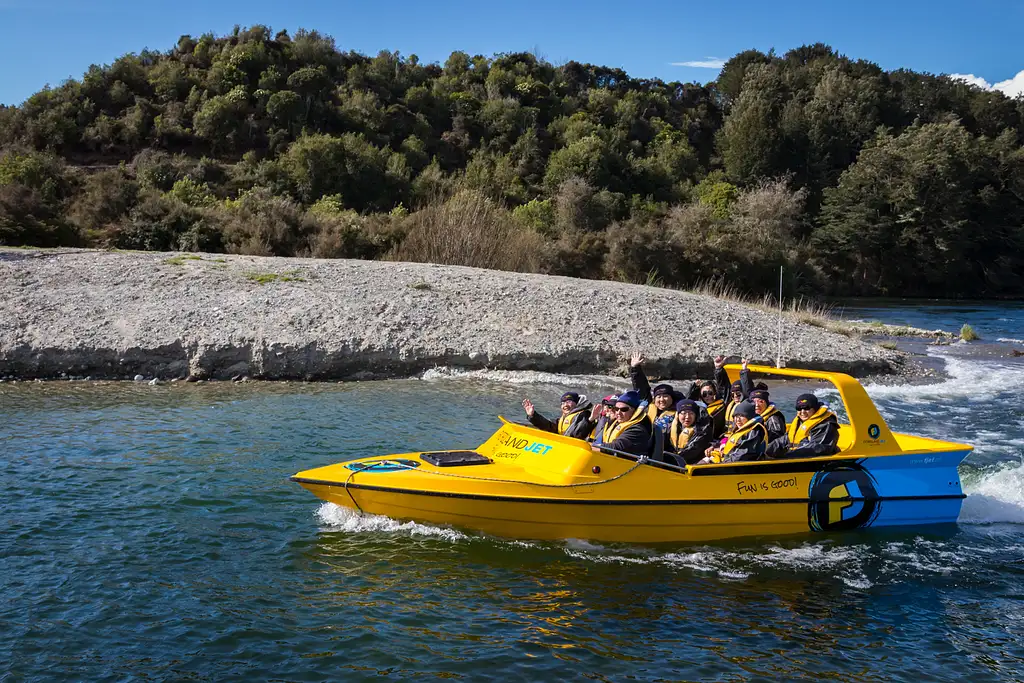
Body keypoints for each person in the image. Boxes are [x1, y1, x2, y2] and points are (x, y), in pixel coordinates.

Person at [765, 394, 841, 459]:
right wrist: (764, 452)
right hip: (795, 458)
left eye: (807, 408)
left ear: (815, 409)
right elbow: (783, 440)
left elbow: (818, 448)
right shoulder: (799, 422)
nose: (802, 412)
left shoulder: (826, 424)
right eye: (799, 408)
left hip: (817, 464)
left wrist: (787, 456)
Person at [698, 401, 767, 464]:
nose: (738, 420)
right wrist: (715, 447)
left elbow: (742, 455)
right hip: (727, 462)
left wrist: (721, 463)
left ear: (750, 417)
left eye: (742, 416)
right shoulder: (739, 429)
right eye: (736, 416)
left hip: (740, 469)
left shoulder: (753, 432)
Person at [628, 352, 679, 434]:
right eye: (659, 397)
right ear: (654, 399)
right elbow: (641, 387)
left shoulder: (679, 412)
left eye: (665, 396)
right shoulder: (648, 406)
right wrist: (635, 368)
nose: (662, 399)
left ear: (672, 398)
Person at [593, 390, 653, 458]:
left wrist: (592, 447)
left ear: (634, 411)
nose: (618, 412)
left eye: (624, 409)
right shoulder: (615, 422)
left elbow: (618, 447)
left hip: (629, 464)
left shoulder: (638, 430)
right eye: (616, 408)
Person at [522, 391, 593, 440]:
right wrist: (533, 415)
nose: (565, 405)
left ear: (577, 403)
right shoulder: (564, 417)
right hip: (564, 444)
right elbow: (549, 426)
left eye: (568, 402)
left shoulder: (584, 415)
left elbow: (577, 433)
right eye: (563, 403)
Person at [666, 399, 713, 466]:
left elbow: (692, 450)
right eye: (684, 413)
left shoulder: (702, 430)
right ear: (677, 414)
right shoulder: (669, 426)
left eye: (691, 413)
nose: (687, 417)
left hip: (690, 464)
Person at [714, 355, 749, 428]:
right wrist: (718, 368)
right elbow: (723, 385)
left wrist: (744, 370)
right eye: (733, 395)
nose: (735, 396)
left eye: (738, 394)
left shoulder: (747, 403)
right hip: (727, 435)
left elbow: (747, 387)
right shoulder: (729, 402)